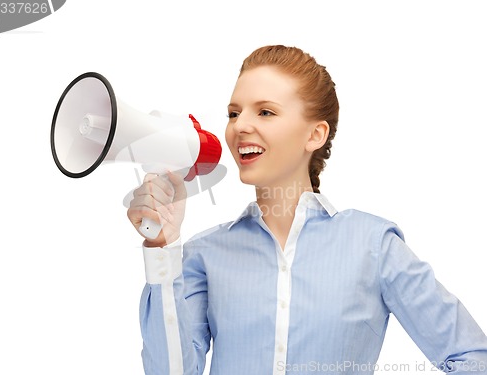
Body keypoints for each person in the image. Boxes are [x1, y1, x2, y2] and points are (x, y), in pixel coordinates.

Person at [127, 45, 487, 375]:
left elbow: (472, 358)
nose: (240, 126)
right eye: (234, 113)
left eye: (265, 111)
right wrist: (162, 247)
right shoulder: (205, 253)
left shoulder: (373, 245)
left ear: (315, 135)